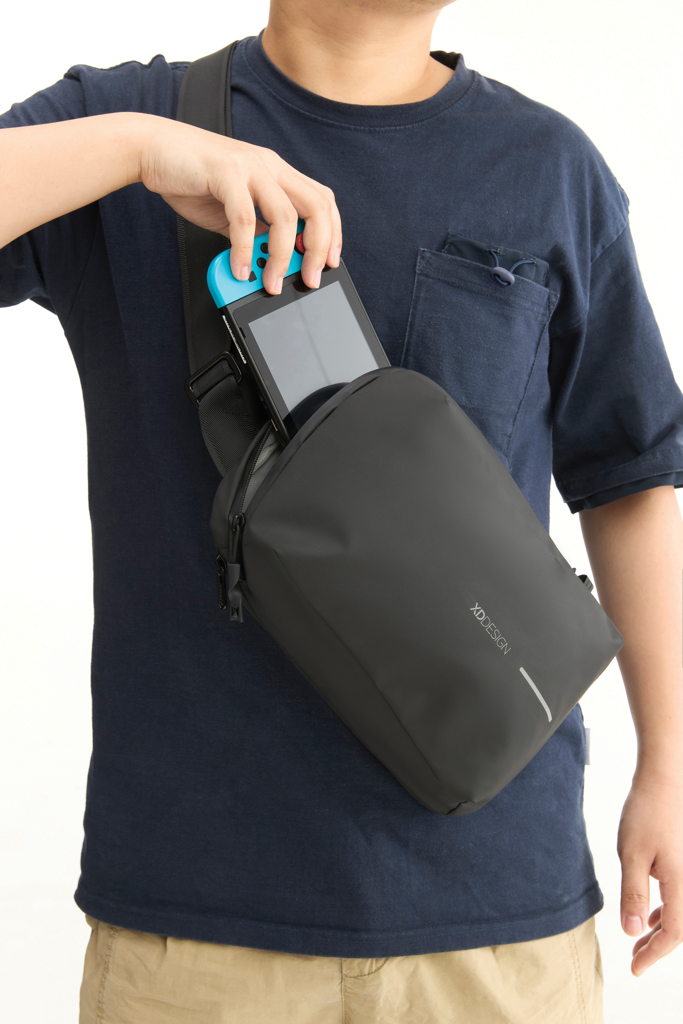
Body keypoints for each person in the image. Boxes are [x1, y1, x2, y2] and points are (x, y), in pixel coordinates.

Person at [2, 1, 683, 1021]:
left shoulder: (545, 167)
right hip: (197, 926)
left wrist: (667, 765)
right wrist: (139, 151)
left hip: (494, 921)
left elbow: (627, 474)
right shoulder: (126, 120)